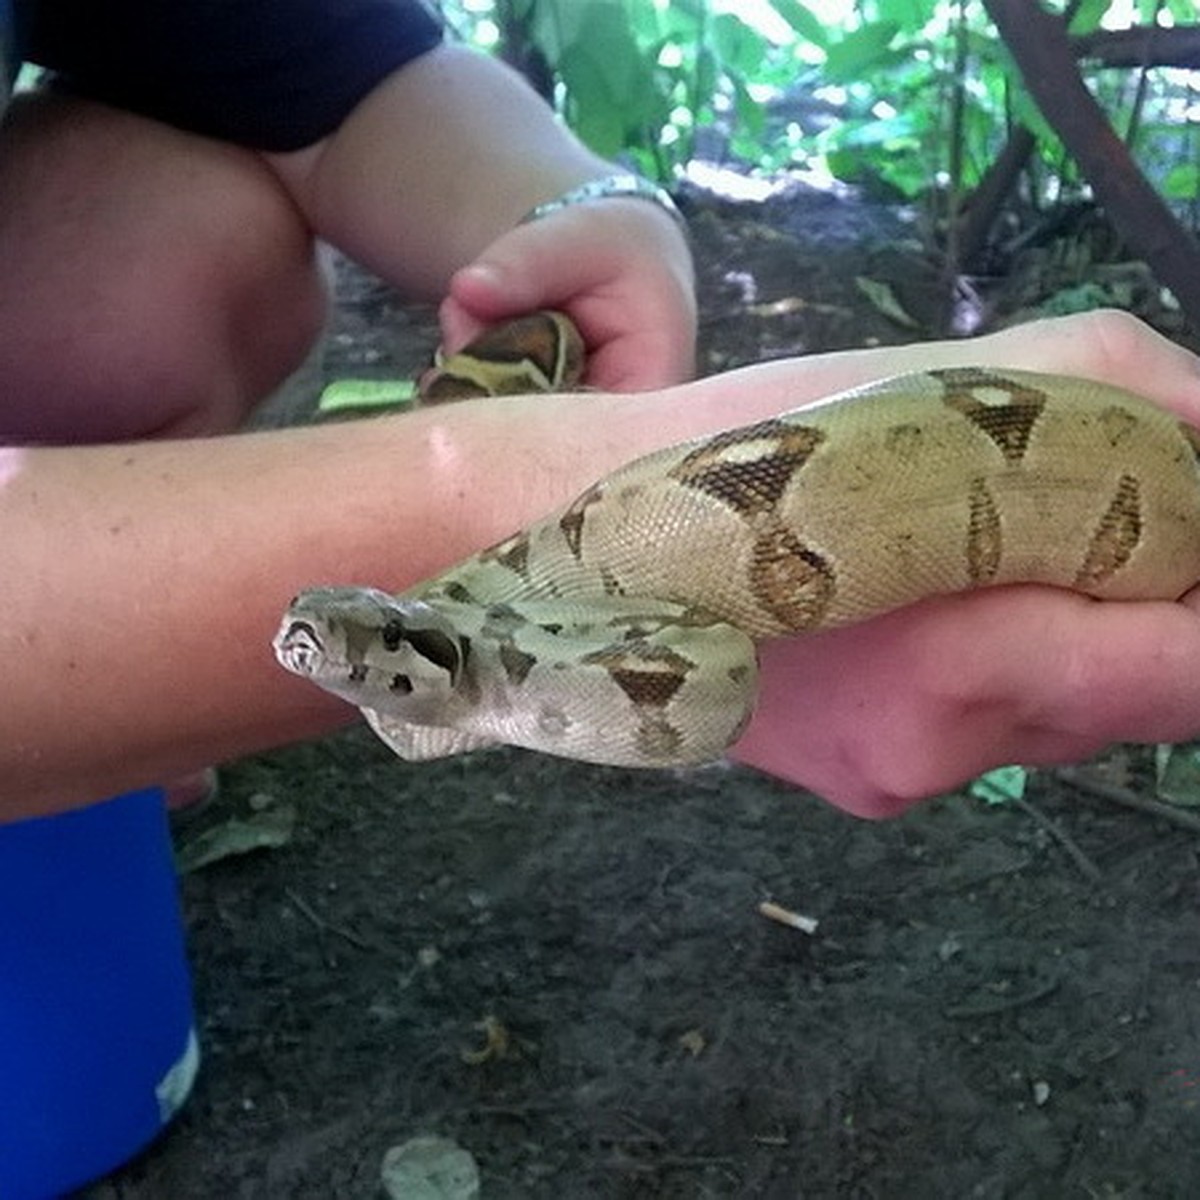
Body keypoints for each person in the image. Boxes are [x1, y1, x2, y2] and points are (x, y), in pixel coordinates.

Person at [4, 9, 1200, 823]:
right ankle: (105, 723)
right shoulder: (486, 654)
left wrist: (591, 205)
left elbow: (332, 66)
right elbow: (605, 652)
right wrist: (499, 475)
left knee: (194, 226)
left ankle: (115, 723)